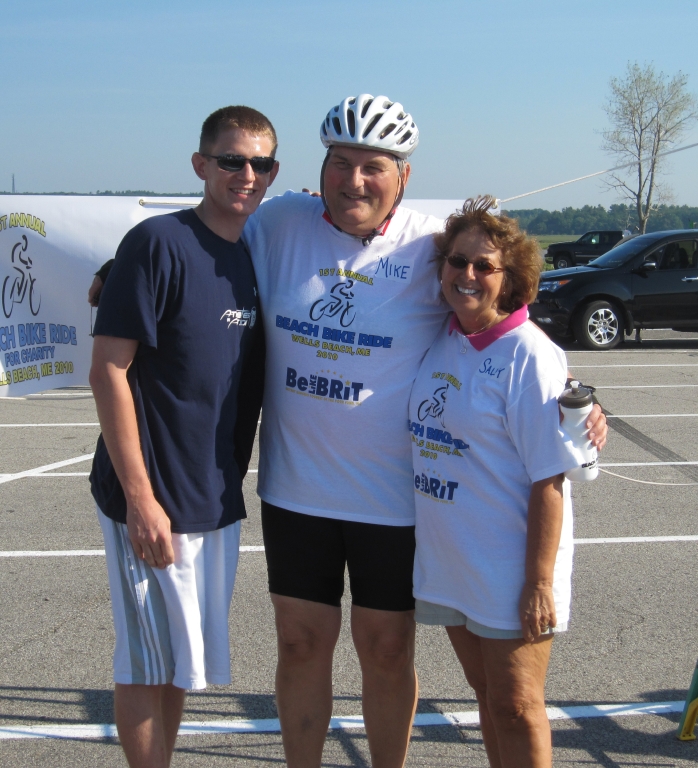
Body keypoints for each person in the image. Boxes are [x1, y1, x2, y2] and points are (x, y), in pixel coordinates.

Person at [242, 95, 608, 768]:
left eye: (373, 166)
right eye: (340, 162)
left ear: (403, 176)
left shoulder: (431, 243)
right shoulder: (279, 222)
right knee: (297, 644)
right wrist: (120, 272)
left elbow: (505, 306)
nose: (354, 180)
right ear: (320, 167)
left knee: (385, 650)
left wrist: (578, 401)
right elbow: (201, 245)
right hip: (296, 489)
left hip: (392, 497)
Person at [88, 105, 277, 768]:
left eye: (261, 163)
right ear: (200, 165)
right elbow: (108, 368)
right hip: (151, 494)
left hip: (214, 495)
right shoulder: (158, 243)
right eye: (232, 160)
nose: (246, 174)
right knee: (145, 661)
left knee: (178, 661)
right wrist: (141, 500)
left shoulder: (258, 254)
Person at [411, 196, 583, 768]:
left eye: (484, 266)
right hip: (452, 558)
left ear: (511, 278)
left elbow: (549, 480)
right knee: (488, 698)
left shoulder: (529, 353)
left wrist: (539, 583)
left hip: (510, 566)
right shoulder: (443, 336)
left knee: (518, 705)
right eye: (457, 261)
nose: (467, 275)